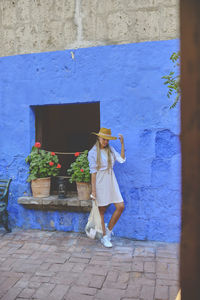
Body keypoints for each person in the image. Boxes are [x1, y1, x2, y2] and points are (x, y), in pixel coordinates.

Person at [88, 127, 126, 248]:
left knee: (120, 206)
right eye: (104, 139)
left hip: (111, 180)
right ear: (99, 138)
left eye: (107, 140)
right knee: (102, 210)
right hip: (100, 182)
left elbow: (121, 160)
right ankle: (104, 237)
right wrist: (93, 191)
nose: (105, 142)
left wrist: (122, 144)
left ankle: (108, 231)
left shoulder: (110, 150)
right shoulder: (93, 153)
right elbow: (93, 173)